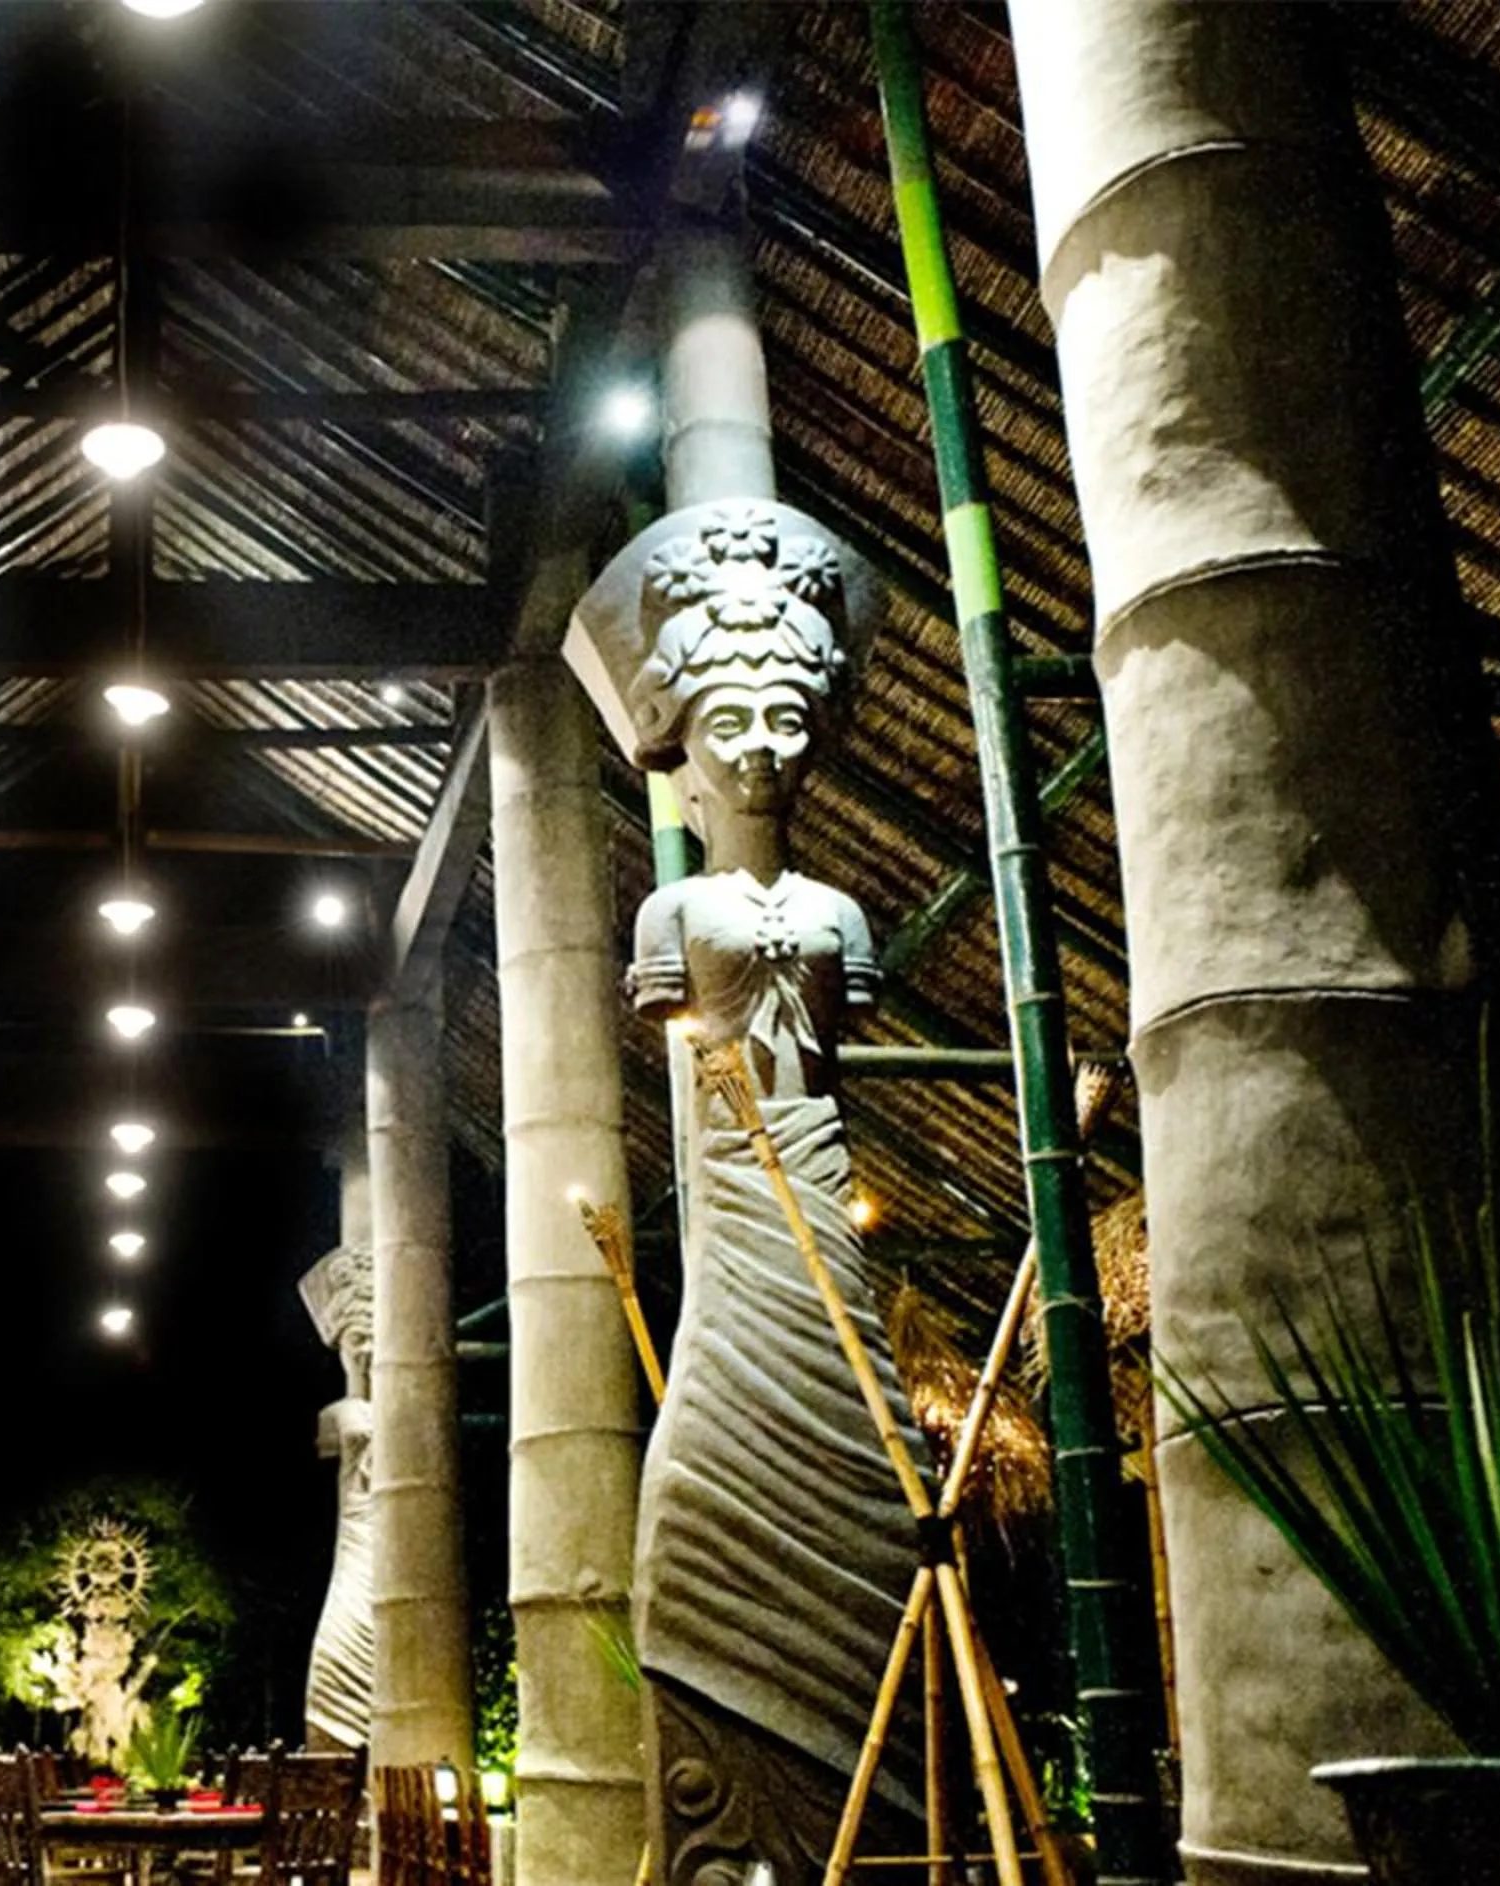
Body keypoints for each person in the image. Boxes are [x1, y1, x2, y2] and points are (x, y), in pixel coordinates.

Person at [616, 500, 928, 1884]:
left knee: (876, 1462)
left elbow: (836, 1058)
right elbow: (688, 1044)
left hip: (818, 1182)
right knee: (699, 1478)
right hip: (734, 1200)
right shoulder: (672, 917)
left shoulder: (845, 915)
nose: (761, 746)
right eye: (732, 717)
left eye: (787, 717)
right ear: (683, 737)